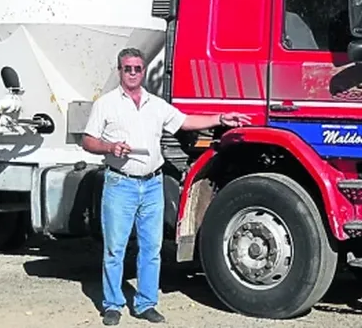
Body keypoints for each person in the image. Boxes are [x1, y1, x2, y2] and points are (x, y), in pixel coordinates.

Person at [81, 47, 251, 326]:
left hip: (152, 185)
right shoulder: (106, 104)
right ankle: (113, 305)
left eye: (137, 68)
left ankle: (146, 303)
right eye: (127, 68)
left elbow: (185, 122)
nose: (132, 73)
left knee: (151, 248)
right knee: (115, 249)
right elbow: (88, 141)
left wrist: (221, 118)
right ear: (119, 71)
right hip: (120, 184)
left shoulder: (156, 104)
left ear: (144, 71)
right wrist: (110, 147)